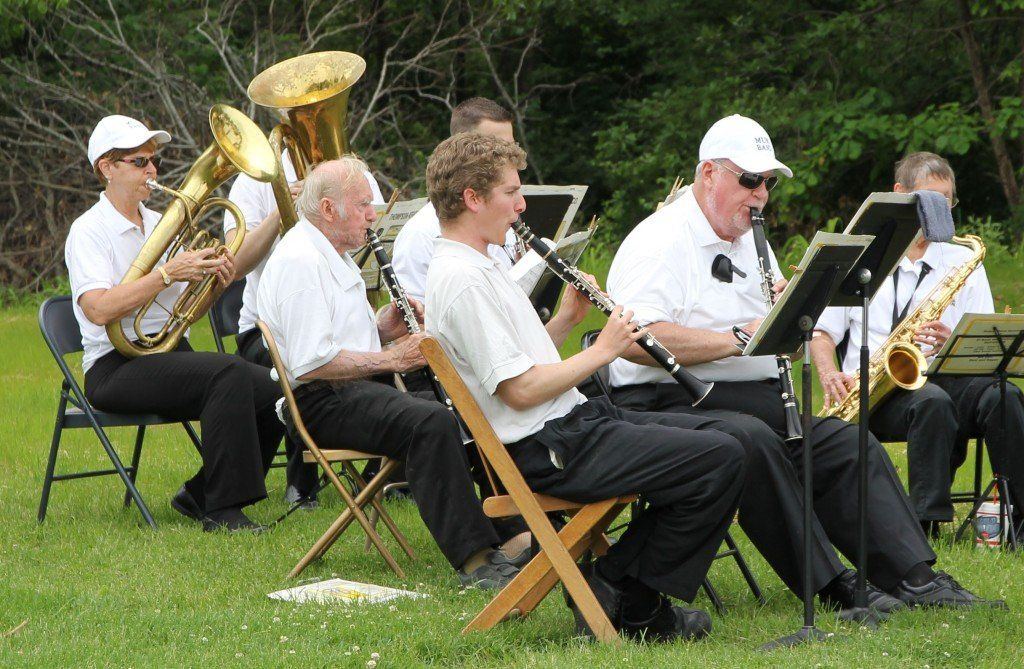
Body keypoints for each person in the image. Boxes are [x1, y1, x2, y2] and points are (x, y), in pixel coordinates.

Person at [606, 115, 1003, 610]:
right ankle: (831, 584)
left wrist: (793, 316)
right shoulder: (659, 241)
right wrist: (736, 337)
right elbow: (630, 339)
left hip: (746, 398)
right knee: (751, 440)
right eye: (749, 180)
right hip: (669, 399)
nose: (760, 195)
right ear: (708, 173)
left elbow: (783, 344)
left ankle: (915, 577)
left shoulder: (753, 240)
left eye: (767, 182)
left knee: (844, 443)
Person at [425, 132, 750, 641]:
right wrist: (603, 350)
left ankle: (619, 585)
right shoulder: (462, 279)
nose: (522, 203)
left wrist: (565, 320)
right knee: (719, 458)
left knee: (733, 438)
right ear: (472, 198)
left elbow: (515, 362)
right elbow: (521, 391)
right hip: (548, 446)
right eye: (511, 192)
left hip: (570, 423)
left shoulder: (478, 265)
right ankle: (630, 594)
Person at [256, 156, 522, 589]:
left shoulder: (332, 254)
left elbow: (337, 337)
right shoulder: (301, 261)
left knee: (458, 404)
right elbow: (312, 362)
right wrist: (394, 359)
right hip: (319, 401)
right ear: (328, 209)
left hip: (349, 389)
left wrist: (382, 330)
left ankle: (511, 536)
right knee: (430, 421)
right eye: (363, 205)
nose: (371, 215)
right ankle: (476, 561)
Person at [65, 114, 284, 532]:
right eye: (139, 162)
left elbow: (179, 314)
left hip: (162, 351)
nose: (152, 171)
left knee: (277, 388)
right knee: (228, 373)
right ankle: (223, 512)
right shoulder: (88, 231)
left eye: (154, 161)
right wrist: (167, 273)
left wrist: (212, 286)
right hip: (115, 366)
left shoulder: (159, 223)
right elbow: (97, 309)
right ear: (106, 168)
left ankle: (199, 495)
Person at [812, 151, 1024, 537]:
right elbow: (822, 333)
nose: (939, 211)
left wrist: (953, 340)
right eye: (930, 200)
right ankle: (926, 523)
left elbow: (985, 344)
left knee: (1004, 396)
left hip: (943, 376)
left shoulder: (962, 259)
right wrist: (828, 372)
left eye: (947, 202)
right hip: (874, 389)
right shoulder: (861, 252)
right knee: (931, 402)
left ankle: (1018, 517)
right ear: (900, 194)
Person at [225, 152, 384, 508]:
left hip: (331, 322)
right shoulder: (255, 181)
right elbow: (236, 264)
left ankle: (382, 475)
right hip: (264, 328)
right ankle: (302, 479)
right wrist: (284, 211)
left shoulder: (347, 172)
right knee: (307, 363)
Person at [392, 97, 521, 305]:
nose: (509, 156)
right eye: (497, 147)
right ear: (464, 146)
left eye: (511, 146)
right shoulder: (418, 235)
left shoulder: (501, 218)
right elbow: (413, 331)